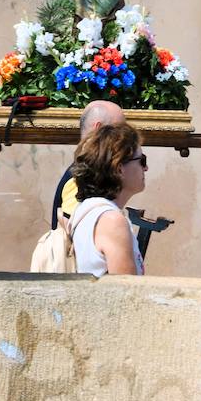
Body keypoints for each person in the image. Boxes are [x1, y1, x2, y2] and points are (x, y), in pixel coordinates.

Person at [69, 121, 147, 276]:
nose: (146, 168)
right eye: (141, 161)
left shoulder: (87, 209)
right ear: (119, 169)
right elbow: (127, 293)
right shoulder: (112, 221)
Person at [51, 99, 127, 228]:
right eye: (118, 130)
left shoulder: (91, 172)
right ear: (99, 128)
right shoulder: (79, 178)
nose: (123, 138)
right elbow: (73, 231)